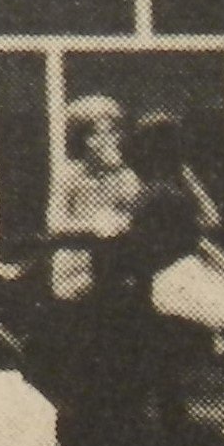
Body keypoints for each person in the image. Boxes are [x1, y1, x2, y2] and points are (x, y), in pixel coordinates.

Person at [108, 110, 224, 446]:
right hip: (179, 281)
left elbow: (204, 233)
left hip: (182, 279)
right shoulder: (161, 195)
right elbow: (207, 224)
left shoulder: (156, 193)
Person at [47, 94, 139, 303]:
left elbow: (138, 217)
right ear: (82, 139)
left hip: (116, 272)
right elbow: (55, 224)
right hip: (76, 270)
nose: (107, 141)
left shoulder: (125, 176)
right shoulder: (68, 174)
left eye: (113, 133)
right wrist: (93, 226)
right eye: (96, 134)